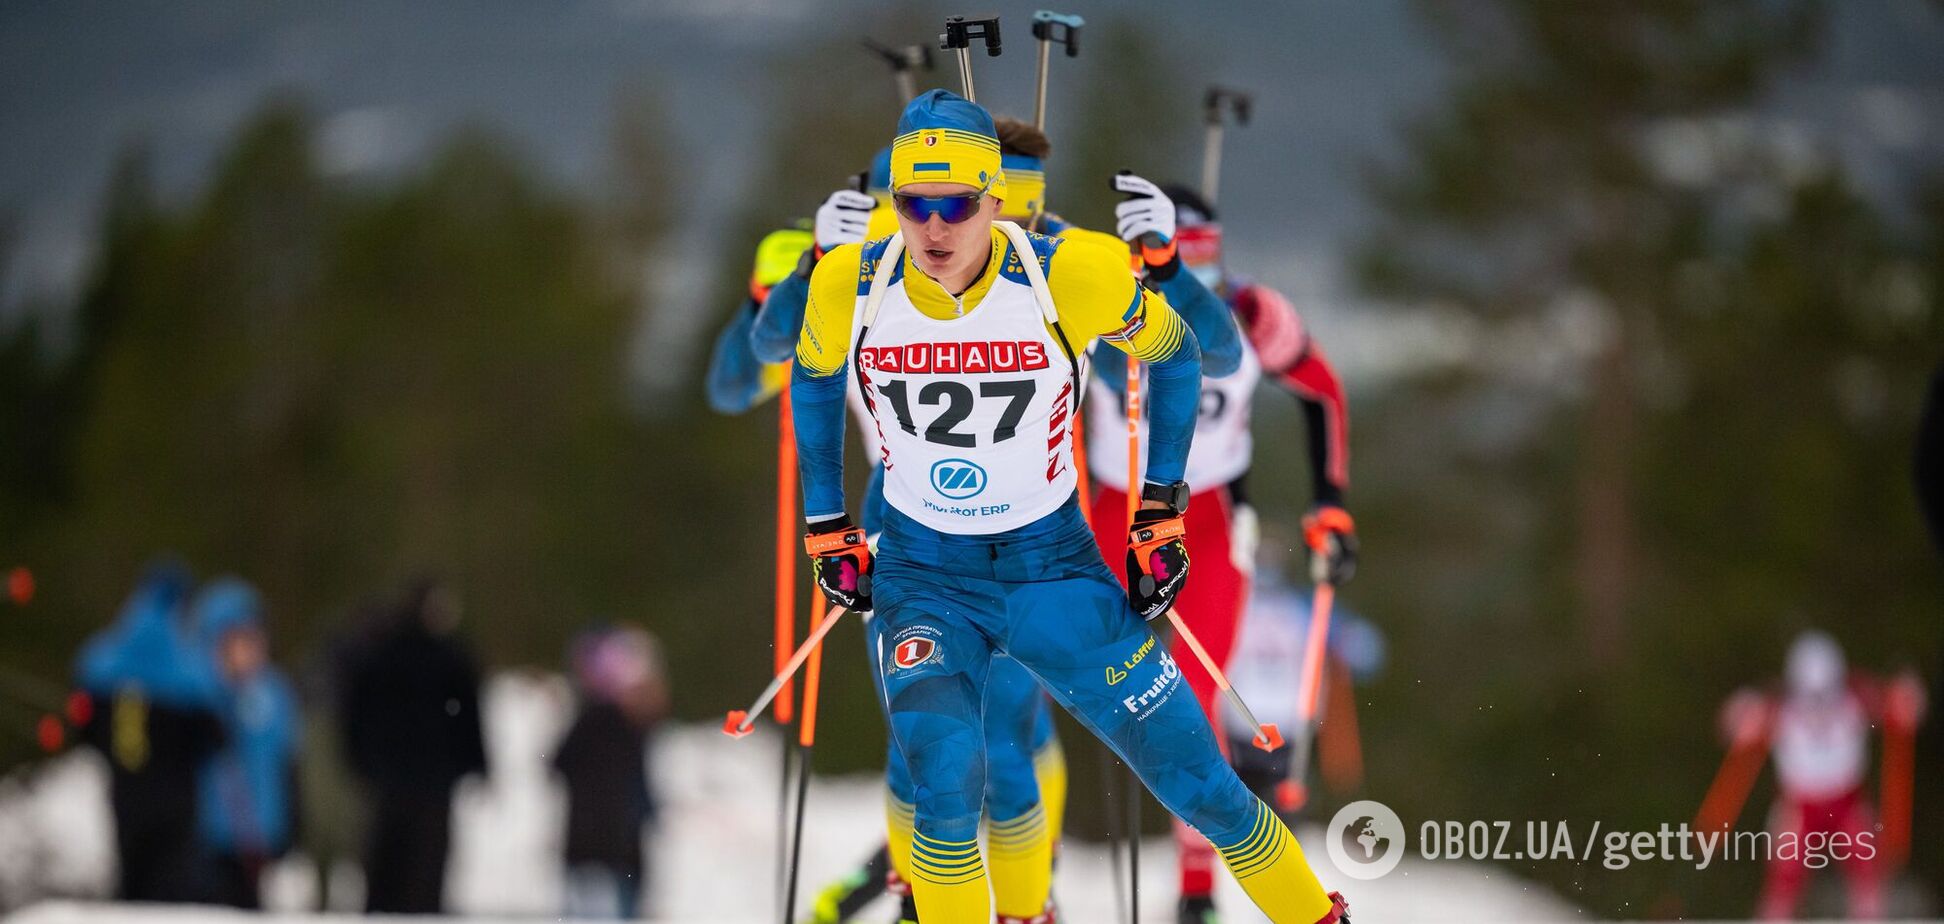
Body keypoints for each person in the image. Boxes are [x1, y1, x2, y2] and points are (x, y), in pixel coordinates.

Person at [791, 89, 1349, 924]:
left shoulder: (1067, 271)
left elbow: (1183, 356)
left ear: (995, 200)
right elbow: (811, 376)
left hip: (1050, 569)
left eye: (957, 204)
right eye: (914, 205)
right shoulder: (852, 281)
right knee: (946, 795)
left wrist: (1160, 508)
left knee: (1205, 788)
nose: (934, 228)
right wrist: (827, 524)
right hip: (923, 576)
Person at [1081, 181, 1356, 924]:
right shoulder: (1101, 300)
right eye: (1168, 247)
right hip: (1114, 508)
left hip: (1206, 517)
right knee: (1062, 677)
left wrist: (1329, 498)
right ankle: (990, 865)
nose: (1184, 261)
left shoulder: (1252, 315)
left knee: (1196, 696)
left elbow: (1322, 389)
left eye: (1199, 247)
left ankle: (1197, 885)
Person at [1714, 631, 1926, 919]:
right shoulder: (1779, 706)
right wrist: (1739, 715)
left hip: (1847, 801)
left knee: (1868, 871)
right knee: (1783, 879)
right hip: (1800, 805)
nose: (1818, 705)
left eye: (1826, 691)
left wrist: (1908, 697)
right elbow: (1731, 723)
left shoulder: (1857, 696)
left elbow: (1900, 705)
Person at [73, 558, 226, 903]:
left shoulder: (106, 657)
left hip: (125, 794)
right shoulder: (190, 666)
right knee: (170, 891)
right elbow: (215, 738)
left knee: (132, 883)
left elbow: (84, 725)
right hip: (176, 800)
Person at [335, 578, 488, 914]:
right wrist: (475, 763)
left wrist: (360, 762)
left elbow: (354, 717)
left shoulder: (382, 655)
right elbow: (468, 718)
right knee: (418, 873)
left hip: (398, 782)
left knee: (391, 870)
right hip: (422, 784)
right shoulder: (446, 658)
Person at [191, 577, 302, 908]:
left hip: (257, 841)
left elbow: (285, 764)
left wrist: (289, 827)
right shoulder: (198, 696)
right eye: (237, 642)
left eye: (254, 640)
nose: (248, 651)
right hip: (208, 843)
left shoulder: (274, 694)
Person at [553, 624, 669, 919]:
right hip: (614, 844)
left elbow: (559, 764)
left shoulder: (595, 721)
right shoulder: (624, 726)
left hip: (597, 843)